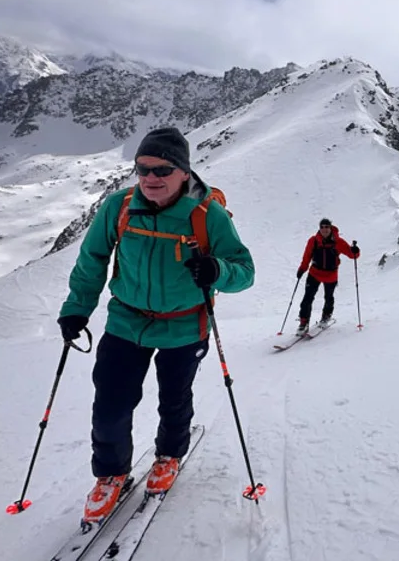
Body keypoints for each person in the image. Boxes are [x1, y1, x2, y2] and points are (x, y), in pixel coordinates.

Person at [55, 126, 255, 526]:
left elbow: (244, 271)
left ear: (184, 172)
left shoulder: (206, 215)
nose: (150, 177)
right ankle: (111, 473)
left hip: (184, 325)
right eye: (142, 168)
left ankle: (169, 454)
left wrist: (217, 270)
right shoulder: (120, 206)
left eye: (162, 169)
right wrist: (77, 308)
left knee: (174, 398)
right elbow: (92, 258)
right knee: (110, 405)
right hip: (126, 320)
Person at [295, 218, 359, 333]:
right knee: (307, 298)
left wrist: (355, 251)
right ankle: (303, 322)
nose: (324, 229)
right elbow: (307, 257)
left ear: (330, 228)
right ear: (319, 228)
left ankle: (326, 316)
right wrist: (302, 269)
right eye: (322, 227)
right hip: (314, 272)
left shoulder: (338, 242)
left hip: (331, 274)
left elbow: (352, 255)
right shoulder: (313, 241)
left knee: (328, 297)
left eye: (326, 227)